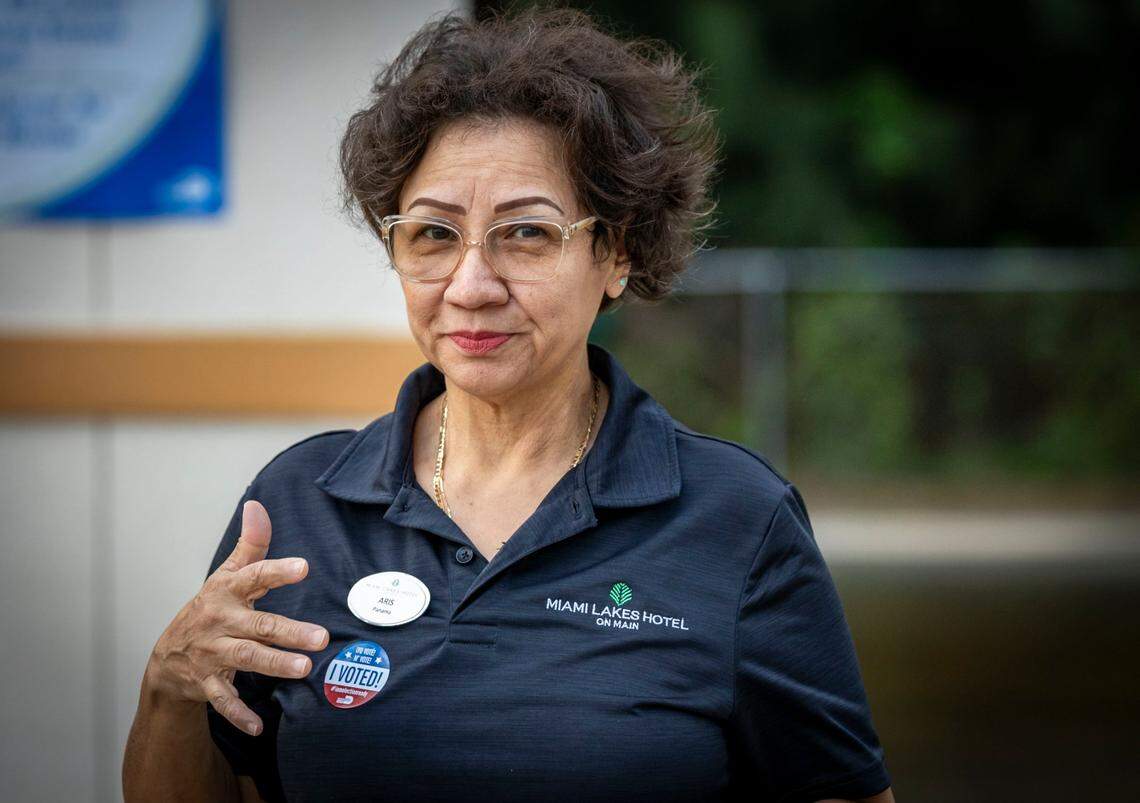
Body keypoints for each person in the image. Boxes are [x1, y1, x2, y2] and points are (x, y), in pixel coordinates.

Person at [123, 7, 895, 802]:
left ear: (618, 252)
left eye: (525, 233)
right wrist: (168, 683)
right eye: (432, 235)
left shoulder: (735, 519)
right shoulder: (297, 507)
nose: (470, 285)